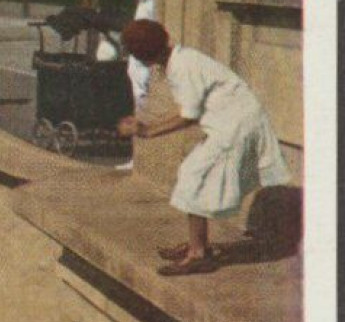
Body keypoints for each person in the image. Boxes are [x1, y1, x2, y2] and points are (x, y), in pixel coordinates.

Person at [116, 19, 291, 277]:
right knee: (193, 175)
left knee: (193, 177)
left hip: (236, 125)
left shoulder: (182, 67)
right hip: (233, 121)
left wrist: (147, 131)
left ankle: (198, 254)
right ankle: (199, 246)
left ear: (143, 56)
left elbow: (189, 115)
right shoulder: (180, 59)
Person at [116, 0, 158, 171]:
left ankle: (139, 160)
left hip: (142, 65)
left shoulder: (148, 5)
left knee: (141, 107)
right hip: (141, 63)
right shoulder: (151, 2)